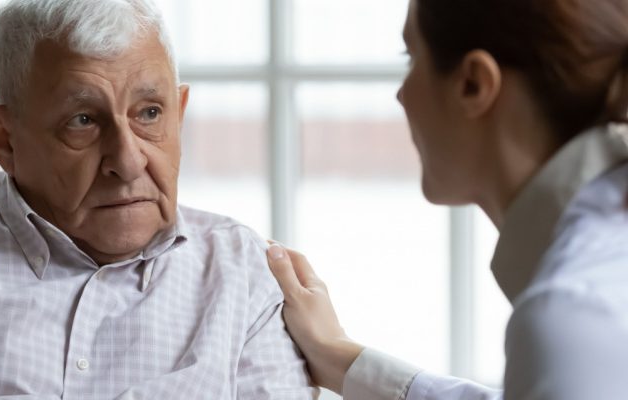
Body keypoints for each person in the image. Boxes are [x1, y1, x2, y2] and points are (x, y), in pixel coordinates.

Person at [0, 1, 317, 399]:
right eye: (82, 120)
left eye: (149, 113)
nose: (127, 161)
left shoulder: (245, 274)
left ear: (179, 113)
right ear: (3, 139)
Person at [266, 0, 628, 399]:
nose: (401, 96)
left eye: (411, 57)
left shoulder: (571, 313)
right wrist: (336, 355)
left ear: (473, 83)